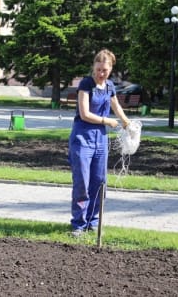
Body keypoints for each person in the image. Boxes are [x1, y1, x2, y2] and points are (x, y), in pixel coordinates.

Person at [68, 49, 131, 237]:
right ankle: (78, 224)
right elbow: (85, 113)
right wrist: (107, 121)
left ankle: (93, 222)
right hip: (82, 139)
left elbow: (116, 106)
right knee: (82, 182)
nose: (100, 74)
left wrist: (126, 121)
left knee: (99, 182)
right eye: (98, 69)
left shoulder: (110, 86)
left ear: (110, 69)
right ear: (93, 67)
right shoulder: (86, 84)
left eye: (104, 70)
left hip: (100, 141)